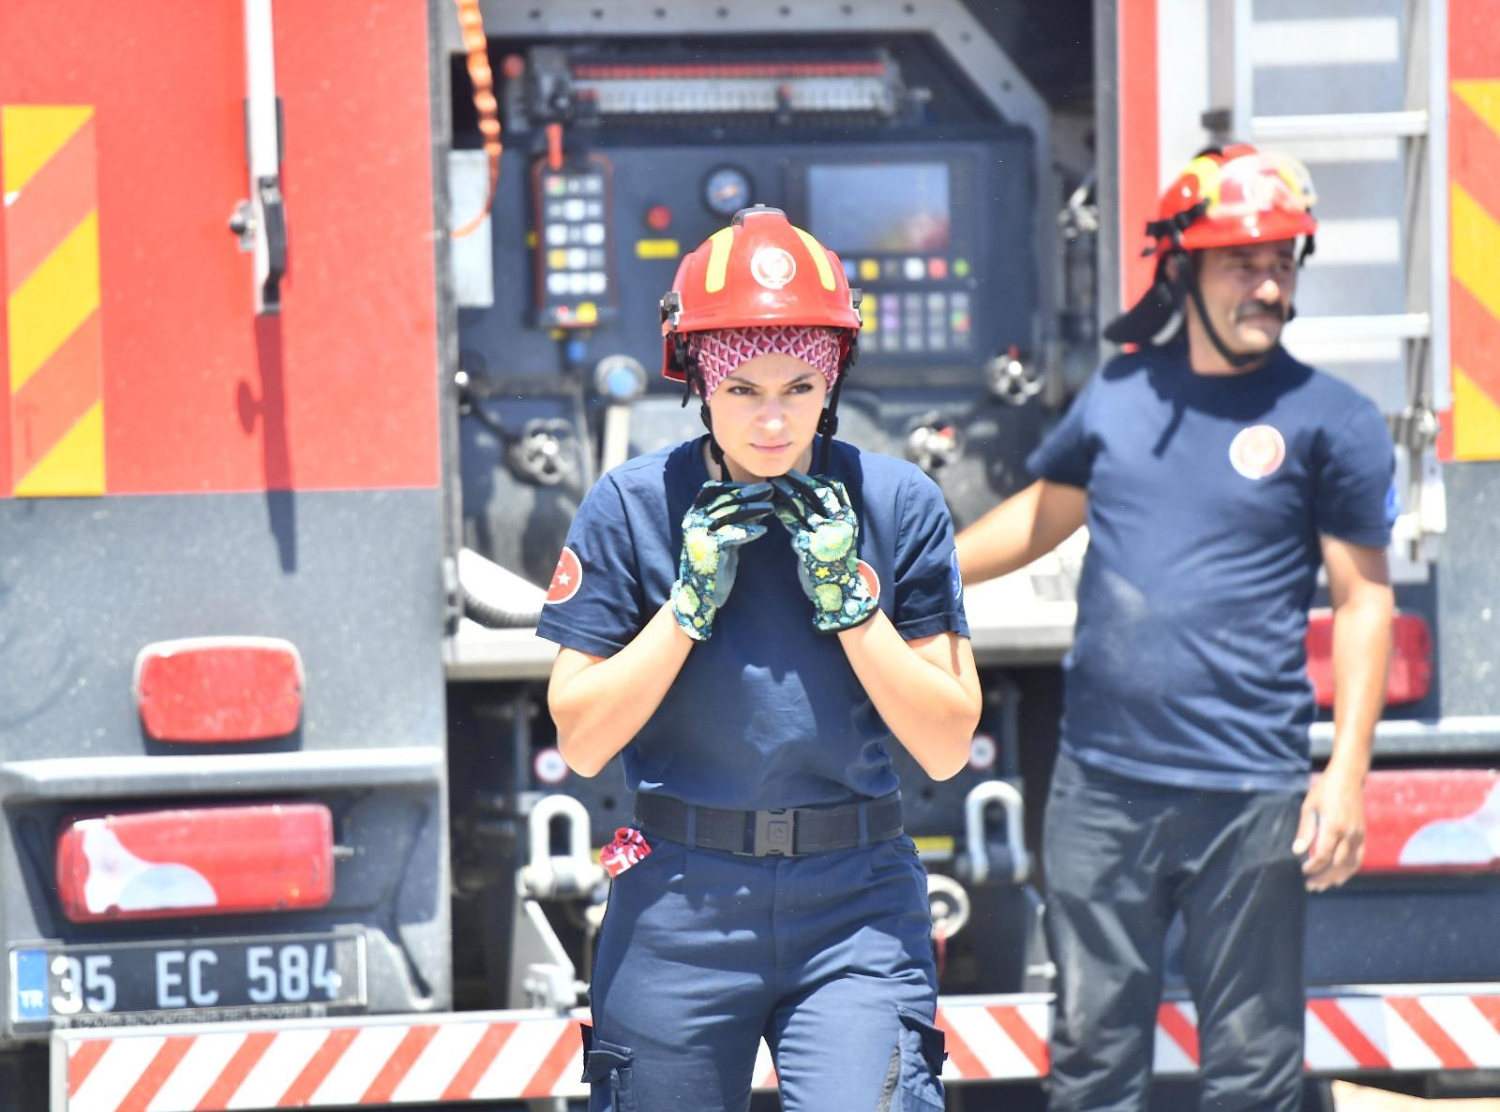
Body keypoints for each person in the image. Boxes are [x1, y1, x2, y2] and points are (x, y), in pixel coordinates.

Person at [957, 145, 1396, 1112]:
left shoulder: (1334, 421)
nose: (1271, 284)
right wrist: (918, 573)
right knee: (1093, 1065)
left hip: (1250, 793)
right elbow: (1044, 513)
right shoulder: (1120, 396)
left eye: (1284, 262)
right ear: (1183, 269)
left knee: (1252, 1070)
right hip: (1102, 787)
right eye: (1245, 262)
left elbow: (1365, 602)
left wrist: (1348, 777)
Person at [537, 205, 981, 1111]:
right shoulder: (631, 507)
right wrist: (686, 609)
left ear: (834, 380)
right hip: (678, 898)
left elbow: (944, 745)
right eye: (743, 391)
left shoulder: (899, 506)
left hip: (855, 903)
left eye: (799, 389)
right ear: (698, 383)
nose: (774, 422)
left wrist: (854, 611)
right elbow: (579, 743)